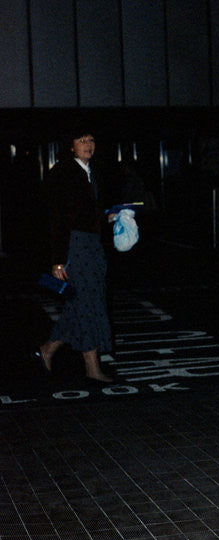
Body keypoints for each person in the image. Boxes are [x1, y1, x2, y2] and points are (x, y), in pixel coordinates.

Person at [38, 130, 115, 383]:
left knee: (84, 302)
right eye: (81, 141)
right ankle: (92, 368)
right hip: (75, 245)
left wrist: (107, 217)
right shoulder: (63, 172)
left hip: (92, 245)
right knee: (87, 304)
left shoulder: (91, 171)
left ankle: (49, 348)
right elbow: (57, 218)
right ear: (70, 146)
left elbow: (89, 212)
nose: (88, 145)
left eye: (91, 140)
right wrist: (58, 260)